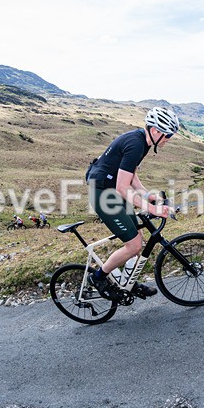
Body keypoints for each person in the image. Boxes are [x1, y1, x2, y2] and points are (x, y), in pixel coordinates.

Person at [85, 106, 179, 298]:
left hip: (112, 191)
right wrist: (153, 208)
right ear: (156, 131)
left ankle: (127, 283)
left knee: (138, 238)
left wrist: (146, 195)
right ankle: (98, 277)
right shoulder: (136, 144)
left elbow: (132, 177)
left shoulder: (143, 142)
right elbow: (122, 187)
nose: (169, 140)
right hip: (104, 194)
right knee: (134, 245)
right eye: (168, 135)